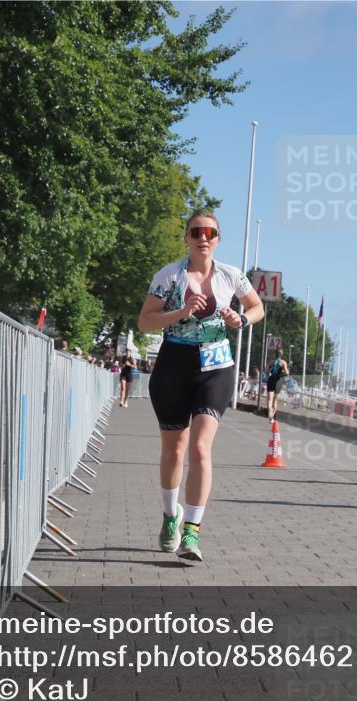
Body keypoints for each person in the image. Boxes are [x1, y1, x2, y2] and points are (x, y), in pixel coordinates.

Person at [138, 210, 264, 562]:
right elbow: (145, 321)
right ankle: (170, 516)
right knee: (174, 451)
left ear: (218, 239)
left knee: (200, 450)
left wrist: (241, 318)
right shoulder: (170, 275)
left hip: (216, 367)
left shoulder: (231, 276)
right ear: (187, 238)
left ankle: (192, 532)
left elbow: (256, 308)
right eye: (196, 231)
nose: (203, 237)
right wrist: (180, 313)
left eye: (210, 232)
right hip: (174, 365)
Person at [266, 348, 289, 422]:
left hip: (271, 379)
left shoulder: (271, 362)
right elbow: (287, 373)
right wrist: (282, 370)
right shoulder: (283, 362)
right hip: (278, 381)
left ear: (275, 354)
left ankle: (270, 410)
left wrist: (270, 370)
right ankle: (272, 417)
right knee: (275, 400)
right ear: (281, 354)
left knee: (270, 400)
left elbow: (266, 371)